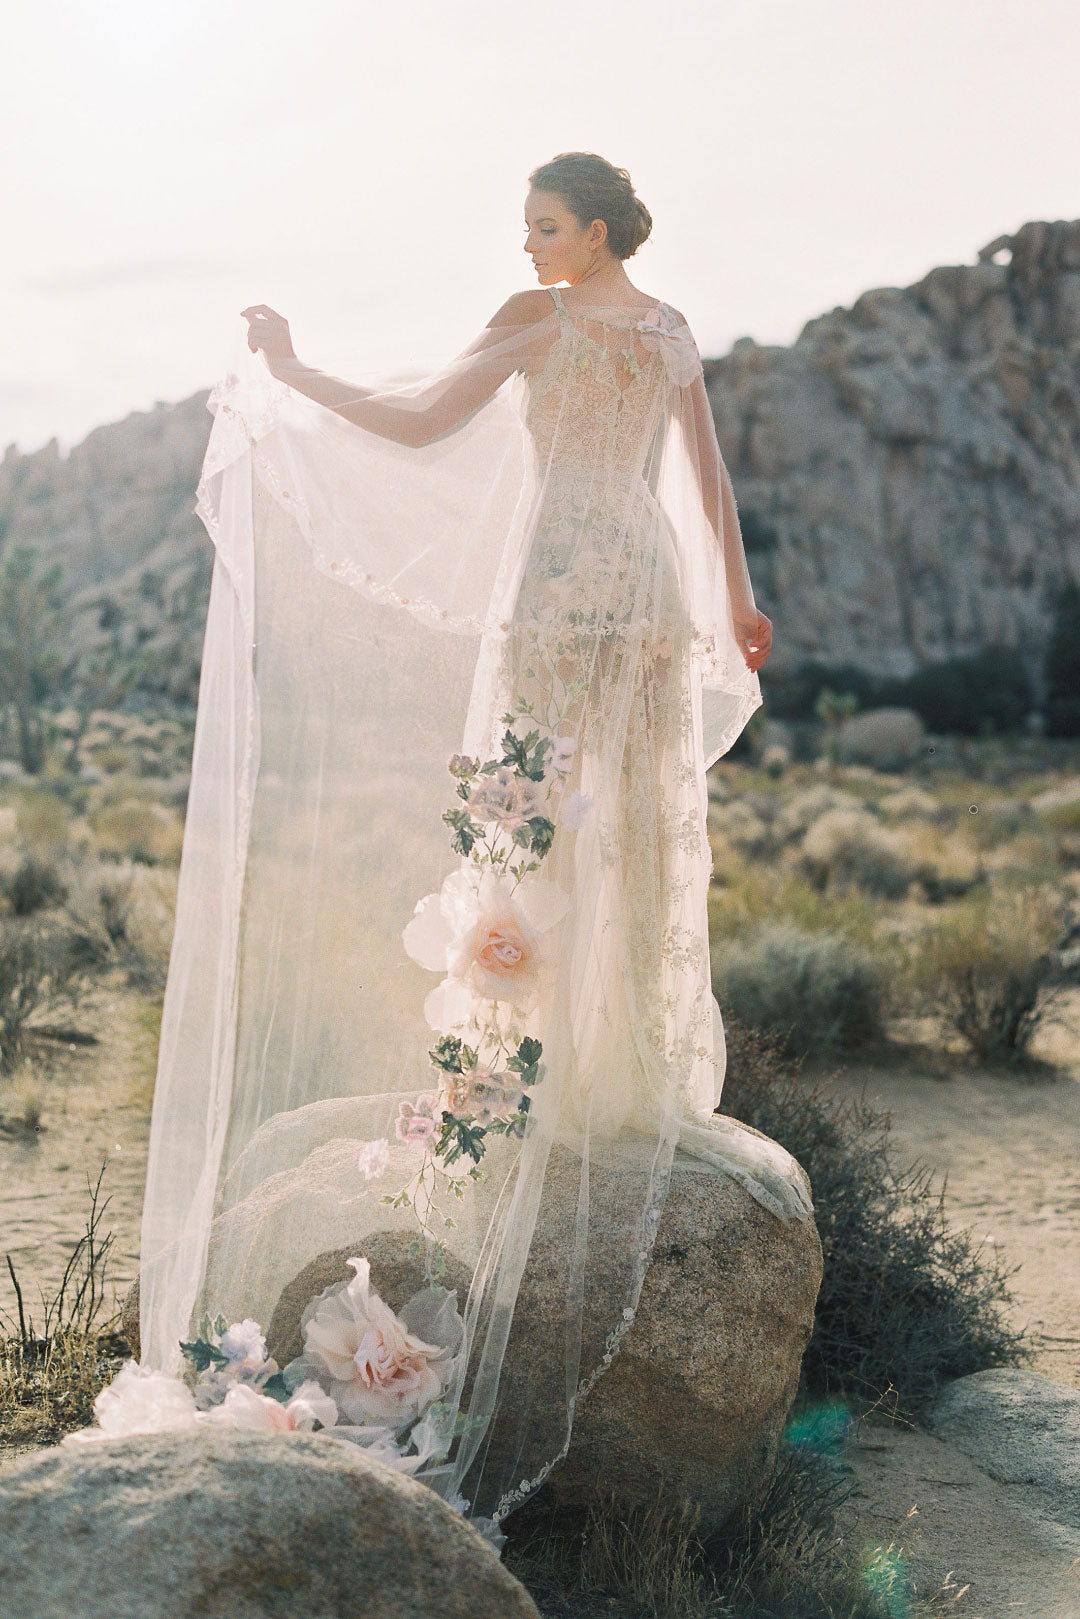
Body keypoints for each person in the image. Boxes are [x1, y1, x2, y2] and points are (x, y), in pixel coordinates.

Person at [131, 150, 813, 1545]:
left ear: (601, 227)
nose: (529, 242)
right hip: (642, 573)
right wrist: (736, 604)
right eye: (529, 227)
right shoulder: (659, 327)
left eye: (547, 224)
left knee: (549, 819)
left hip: (575, 570)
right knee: (602, 829)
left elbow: (419, 418)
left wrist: (299, 373)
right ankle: (602, 1070)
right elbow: (712, 493)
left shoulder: (551, 321)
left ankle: (556, 1072)